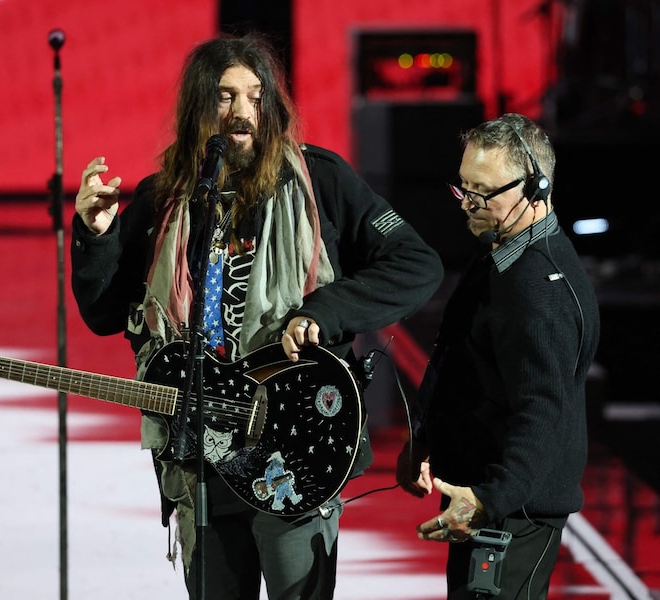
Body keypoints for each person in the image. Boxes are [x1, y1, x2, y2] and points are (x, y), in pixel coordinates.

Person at [70, 33, 443, 600]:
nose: (242, 113)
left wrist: (327, 309)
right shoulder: (165, 199)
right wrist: (96, 238)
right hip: (203, 457)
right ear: (199, 108)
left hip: (296, 447)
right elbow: (103, 314)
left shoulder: (321, 181)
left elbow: (417, 264)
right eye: (224, 97)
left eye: (255, 95)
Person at [395, 113, 600, 599]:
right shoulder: (503, 256)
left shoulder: (538, 289)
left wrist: (489, 500)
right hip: (493, 501)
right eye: (463, 187)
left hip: (513, 512)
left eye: (483, 192)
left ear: (537, 188)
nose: (468, 204)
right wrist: (425, 436)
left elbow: (545, 411)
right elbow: (457, 354)